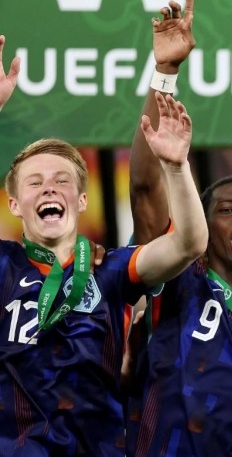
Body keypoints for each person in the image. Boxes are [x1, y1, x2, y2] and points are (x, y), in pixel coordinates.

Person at [0, 34, 208, 455]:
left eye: (61, 181)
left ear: (81, 200)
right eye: (34, 183)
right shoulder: (4, 264)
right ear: (14, 204)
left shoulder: (111, 271)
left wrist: (175, 167)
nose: (48, 189)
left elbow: (189, 243)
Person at [123, 0, 232, 455]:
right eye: (227, 210)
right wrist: (165, 72)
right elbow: (145, 188)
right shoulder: (176, 279)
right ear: (201, 222)